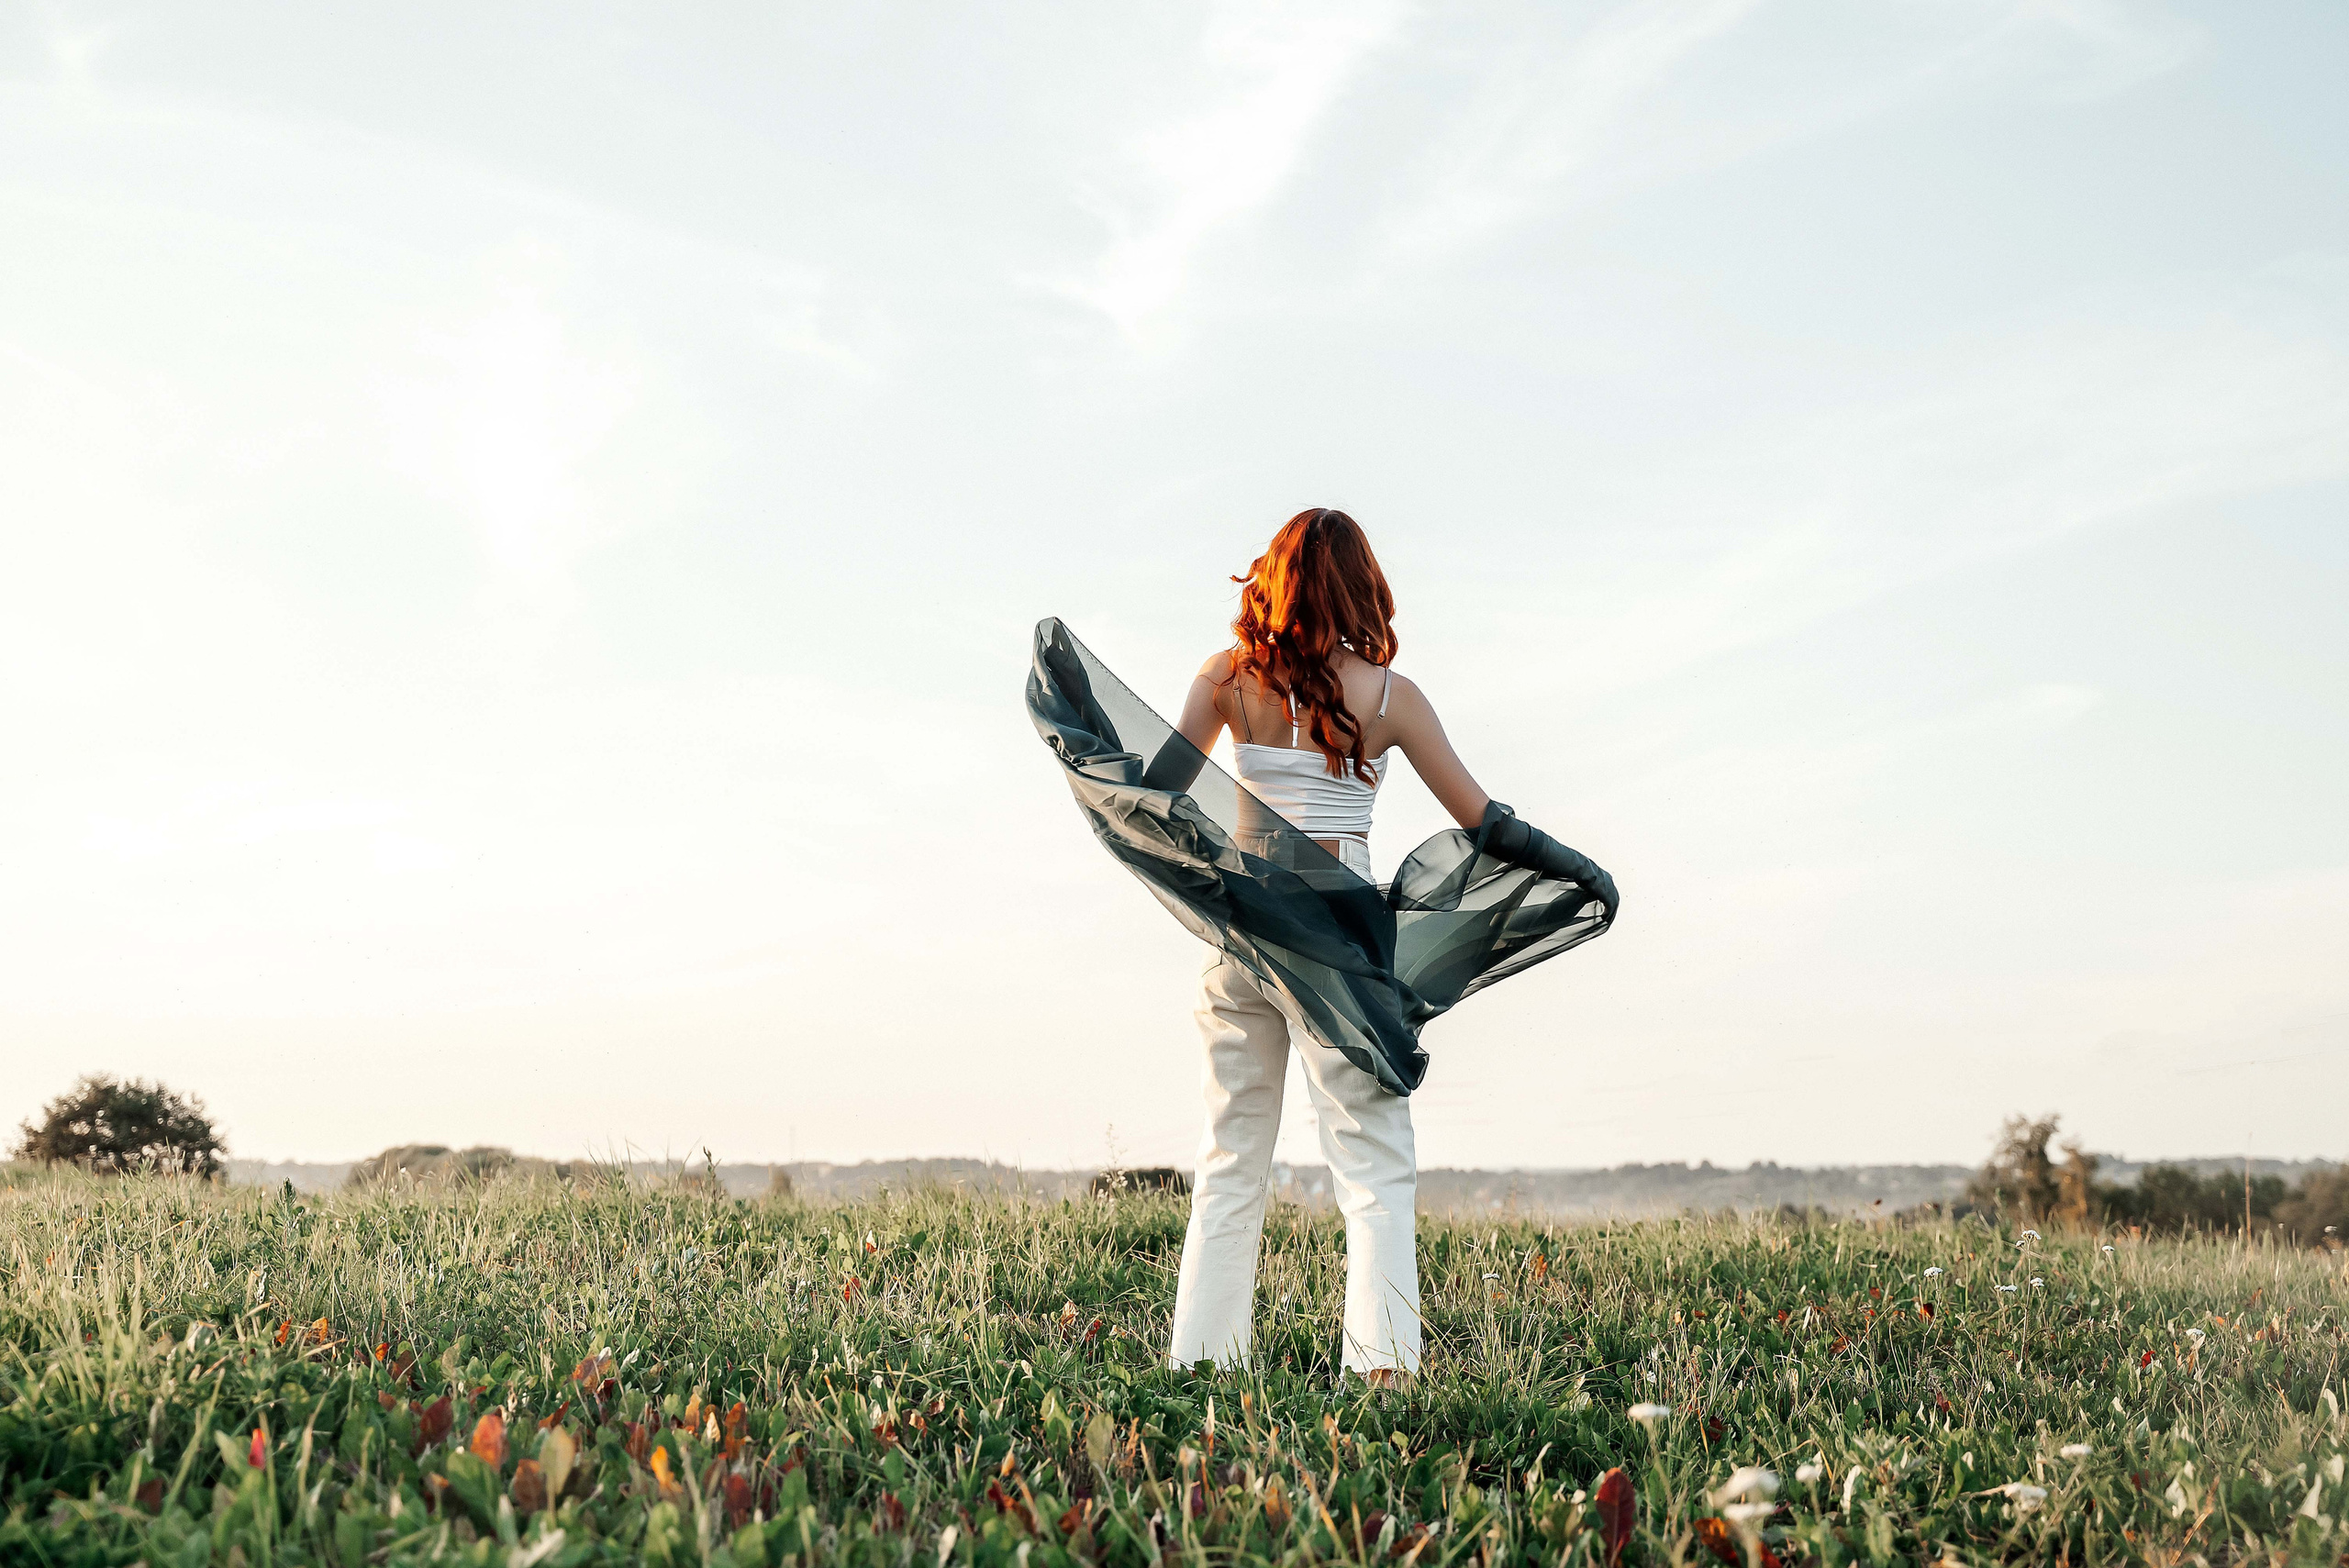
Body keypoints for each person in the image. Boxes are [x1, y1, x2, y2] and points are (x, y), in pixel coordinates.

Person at [1163, 507, 1497, 1383]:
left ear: (1271, 580)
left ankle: (1203, 1366)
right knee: (1375, 1161)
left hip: (1243, 938)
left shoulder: (1227, 677)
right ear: (1360, 587)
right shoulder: (1388, 697)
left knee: (1230, 1153)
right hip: (1338, 950)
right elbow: (1480, 818)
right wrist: (1565, 868)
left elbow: (1155, 798)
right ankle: (1383, 1371)